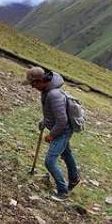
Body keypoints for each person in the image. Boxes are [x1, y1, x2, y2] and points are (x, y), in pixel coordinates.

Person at [23, 67, 80, 201]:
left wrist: (51, 135)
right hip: (59, 129)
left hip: (62, 131)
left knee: (50, 161)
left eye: (32, 84)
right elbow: (53, 113)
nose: (32, 87)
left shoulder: (53, 94)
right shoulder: (46, 90)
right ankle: (74, 178)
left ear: (39, 81)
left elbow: (62, 121)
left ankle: (62, 191)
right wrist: (45, 121)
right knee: (66, 154)